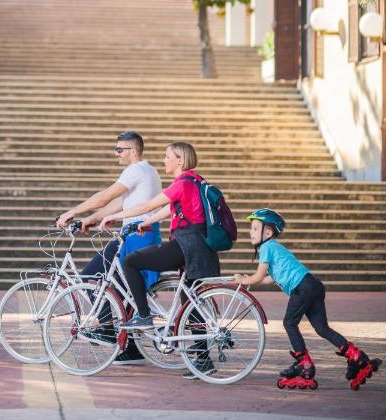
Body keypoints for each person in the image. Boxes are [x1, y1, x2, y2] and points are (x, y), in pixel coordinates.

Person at [101, 141, 220, 376]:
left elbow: (147, 205)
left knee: (130, 262)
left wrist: (115, 216)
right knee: (190, 300)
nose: (164, 160)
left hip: (185, 245)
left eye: (168, 156)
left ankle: (143, 316)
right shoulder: (196, 181)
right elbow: (170, 210)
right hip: (199, 248)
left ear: (180, 161)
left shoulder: (182, 183)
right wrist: (145, 223)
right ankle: (203, 360)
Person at [234, 208, 382, 390]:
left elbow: (258, 277)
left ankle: (305, 364)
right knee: (322, 328)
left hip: (302, 288)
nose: (251, 232)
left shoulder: (266, 247)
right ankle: (357, 356)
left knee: (289, 323)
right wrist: (250, 278)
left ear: (268, 232)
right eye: (251, 229)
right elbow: (267, 278)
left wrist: (244, 280)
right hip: (313, 285)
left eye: (255, 228)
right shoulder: (276, 248)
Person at [57, 130, 162, 365]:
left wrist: (73, 212)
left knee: (104, 281)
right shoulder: (147, 170)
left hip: (138, 235)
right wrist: (90, 220)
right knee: (116, 287)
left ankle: (107, 329)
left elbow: (105, 197)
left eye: (119, 149)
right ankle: (127, 344)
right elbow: (116, 203)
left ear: (133, 151)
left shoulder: (136, 169)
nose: (116, 154)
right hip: (134, 234)